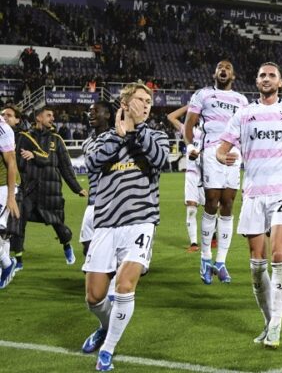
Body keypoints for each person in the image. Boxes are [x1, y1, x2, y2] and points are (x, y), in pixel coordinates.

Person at [216, 62, 282, 348]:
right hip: (253, 193)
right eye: (262, 74)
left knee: (278, 255)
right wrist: (220, 157)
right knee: (256, 266)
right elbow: (222, 148)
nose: (266, 78)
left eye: (271, 75)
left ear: (280, 82)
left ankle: (276, 325)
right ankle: (268, 322)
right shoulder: (244, 113)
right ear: (256, 80)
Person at [80, 82, 170, 371]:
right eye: (140, 100)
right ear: (125, 102)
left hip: (141, 222)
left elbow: (160, 160)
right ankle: (106, 326)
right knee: (94, 297)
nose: (146, 105)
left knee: (124, 286)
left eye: (149, 101)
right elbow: (92, 163)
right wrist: (119, 137)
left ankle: (107, 350)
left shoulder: (155, 135)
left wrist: (135, 132)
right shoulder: (100, 138)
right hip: (105, 223)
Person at [185, 60, 248, 284]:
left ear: (233, 75)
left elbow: (245, 130)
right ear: (214, 73)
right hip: (211, 151)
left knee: (229, 204)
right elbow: (189, 124)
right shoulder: (202, 95)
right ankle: (205, 259)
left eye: (228, 68)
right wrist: (191, 147)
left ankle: (221, 262)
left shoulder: (242, 100)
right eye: (219, 67)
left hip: (233, 153)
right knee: (211, 202)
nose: (223, 70)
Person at [12, 106, 87, 268]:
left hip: (51, 190)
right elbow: (17, 164)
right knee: (19, 219)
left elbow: (66, 167)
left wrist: (77, 188)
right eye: (49, 115)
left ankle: (66, 245)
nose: (52, 118)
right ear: (38, 118)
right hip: (29, 190)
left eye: (52, 115)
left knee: (58, 224)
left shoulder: (56, 140)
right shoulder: (24, 138)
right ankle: (18, 260)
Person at [168, 104, 207, 252]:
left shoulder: (209, 131)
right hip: (191, 174)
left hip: (206, 174)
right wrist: (189, 106)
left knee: (209, 209)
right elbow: (170, 117)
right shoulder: (186, 130)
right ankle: (194, 244)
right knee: (191, 208)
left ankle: (213, 236)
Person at [79, 101, 113, 258]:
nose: (90, 113)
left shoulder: (117, 138)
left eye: (95, 110)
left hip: (114, 202)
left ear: (107, 115)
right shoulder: (86, 143)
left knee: (111, 247)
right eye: (89, 111)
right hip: (93, 202)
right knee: (87, 247)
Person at [0, 107, 21, 288]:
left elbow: (11, 162)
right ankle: (6, 264)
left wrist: (11, 196)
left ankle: (7, 264)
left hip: (3, 188)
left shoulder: (3, 129)